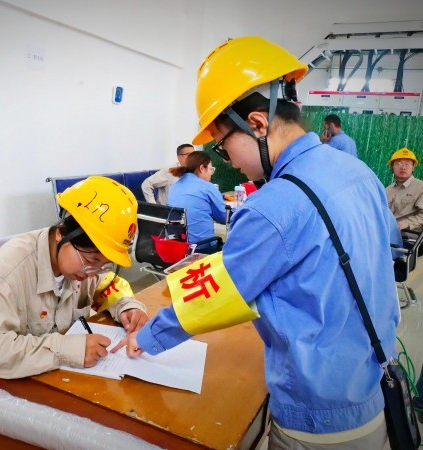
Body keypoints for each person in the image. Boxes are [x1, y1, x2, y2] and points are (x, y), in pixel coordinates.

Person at [113, 36, 401, 449]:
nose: (229, 161)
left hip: (317, 421)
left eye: (224, 147)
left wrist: (149, 337)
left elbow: (221, 289)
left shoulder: (272, 206)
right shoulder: (359, 172)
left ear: (258, 124)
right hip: (373, 389)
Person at [0, 176, 149, 380]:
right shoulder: (9, 270)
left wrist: (127, 307)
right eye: (91, 260)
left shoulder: (88, 268)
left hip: (33, 379)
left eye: (104, 264)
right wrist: (65, 350)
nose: (93, 272)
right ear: (61, 233)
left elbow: (109, 285)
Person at [167, 151, 226, 253]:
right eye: (211, 169)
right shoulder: (208, 187)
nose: (211, 173)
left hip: (176, 245)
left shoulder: (174, 186)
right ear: (202, 168)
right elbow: (223, 218)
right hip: (201, 247)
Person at [386, 147, 423, 233]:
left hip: (409, 235)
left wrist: (403, 224)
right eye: (399, 164)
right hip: (387, 231)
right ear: (392, 167)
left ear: (413, 167)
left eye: (407, 164)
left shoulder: (420, 187)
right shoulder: (387, 190)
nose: (403, 167)